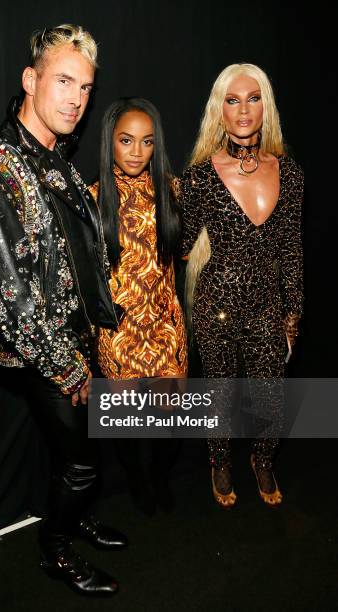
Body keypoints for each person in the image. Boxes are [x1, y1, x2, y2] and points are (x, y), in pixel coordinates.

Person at [0, 24, 127, 596]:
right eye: (63, 81)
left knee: (84, 453)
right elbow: (4, 293)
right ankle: (54, 547)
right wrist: (65, 365)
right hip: (48, 352)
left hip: (79, 339)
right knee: (81, 463)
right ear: (30, 80)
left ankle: (73, 521)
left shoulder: (55, 156)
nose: (76, 98)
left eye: (85, 86)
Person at [180, 63, 303, 508]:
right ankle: (220, 460)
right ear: (220, 111)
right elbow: (181, 244)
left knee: (271, 400)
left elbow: (291, 247)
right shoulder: (200, 175)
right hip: (215, 305)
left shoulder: (289, 173)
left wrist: (293, 313)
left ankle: (263, 459)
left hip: (268, 307)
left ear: (265, 106)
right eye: (232, 100)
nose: (244, 109)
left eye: (253, 98)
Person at [89, 98, 188, 513]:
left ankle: (158, 477)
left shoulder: (172, 189)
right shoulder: (91, 199)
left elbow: (188, 257)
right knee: (128, 430)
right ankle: (138, 480)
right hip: (119, 332)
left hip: (166, 326)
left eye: (147, 142)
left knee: (172, 425)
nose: (136, 152)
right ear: (110, 141)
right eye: (126, 140)